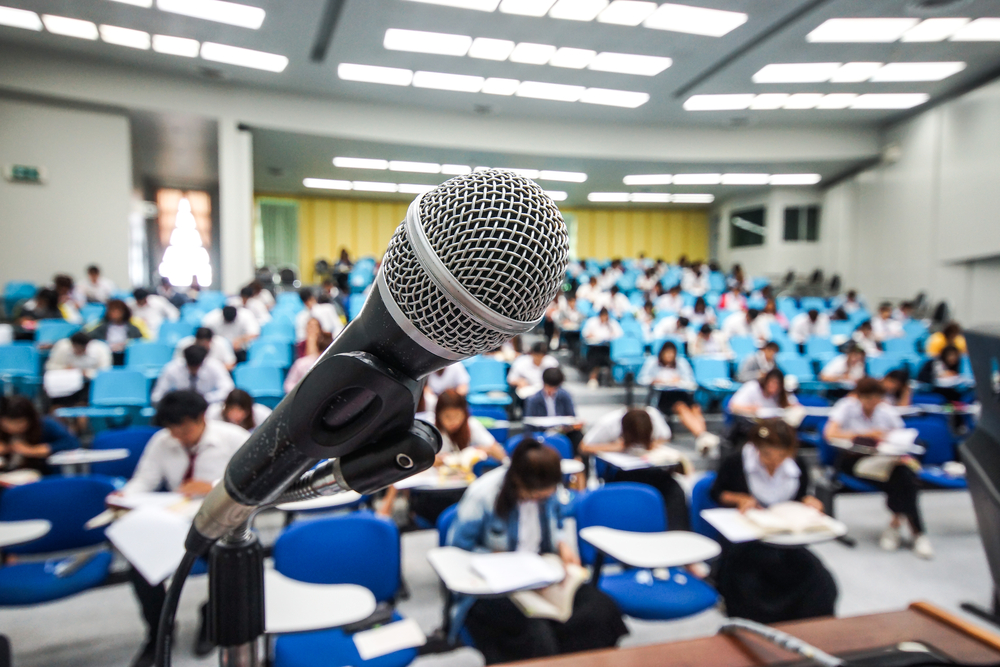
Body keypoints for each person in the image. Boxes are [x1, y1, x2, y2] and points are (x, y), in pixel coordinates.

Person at [447, 439, 628, 664]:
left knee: (602, 611)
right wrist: (495, 559)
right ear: (517, 481)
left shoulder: (549, 493)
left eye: (545, 494)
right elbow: (456, 550)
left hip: (541, 575)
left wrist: (563, 544)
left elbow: (558, 522)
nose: (540, 499)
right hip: (495, 588)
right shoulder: (484, 494)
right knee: (534, 634)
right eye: (534, 495)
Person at [114, 391, 249, 667]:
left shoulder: (233, 438)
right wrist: (124, 498)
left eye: (184, 429)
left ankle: (211, 617)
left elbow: (254, 483)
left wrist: (212, 487)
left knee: (228, 562)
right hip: (175, 522)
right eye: (171, 430)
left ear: (201, 418)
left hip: (221, 523)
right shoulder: (162, 441)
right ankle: (159, 631)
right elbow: (144, 480)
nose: (178, 436)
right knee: (140, 565)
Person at [709, 419, 837, 623]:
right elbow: (717, 493)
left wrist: (809, 503)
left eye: (782, 455)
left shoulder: (797, 466)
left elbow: (799, 497)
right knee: (748, 581)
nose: (774, 461)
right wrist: (740, 499)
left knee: (820, 580)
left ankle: (808, 628)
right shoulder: (736, 461)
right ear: (757, 447)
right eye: (767, 454)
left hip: (784, 541)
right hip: (747, 540)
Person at [823, 378, 931, 558]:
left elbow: (901, 436)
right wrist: (865, 434)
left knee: (904, 476)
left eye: (876, 399)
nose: (872, 404)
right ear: (859, 397)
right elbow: (829, 433)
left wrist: (887, 439)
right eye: (868, 399)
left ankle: (897, 526)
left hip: (884, 459)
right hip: (853, 461)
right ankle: (914, 533)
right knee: (903, 479)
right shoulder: (846, 406)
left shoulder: (885, 410)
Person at [379, 390, 504, 523]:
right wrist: (431, 461)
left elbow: (501, 454)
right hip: (432, 491)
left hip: (462, 489)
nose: (453, 422)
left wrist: (481, 450)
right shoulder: (429, 428)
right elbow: (409, 459)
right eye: (447, 417)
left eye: (457, 416)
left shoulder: (471, 426)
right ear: (438, 415)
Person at [580, 407, 690, 530]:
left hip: (647, 467)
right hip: (620, 472)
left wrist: (653, 444)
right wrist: (614, 447)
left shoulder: (654, 417)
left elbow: (665, 437)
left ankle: (677, 532)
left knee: (674, 488)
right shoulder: (609, 423)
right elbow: (584, 447)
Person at [637, 341, 720, 455]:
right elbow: (641, 379)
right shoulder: (652, 362)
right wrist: (654, 380)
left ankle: (702, 436)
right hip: (664, 396)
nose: (669, 357)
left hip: (681, 392)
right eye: (667, 354)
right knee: (681, 407)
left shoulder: (681, 362)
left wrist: (679, 380)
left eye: (672, 354)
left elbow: (691, 382)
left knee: (695, 408)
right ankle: (702, 436)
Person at [0, 396, 79, 474]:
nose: (13, 428)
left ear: (30, 419)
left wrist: (33, 450)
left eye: (19, 423)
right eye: (7, 424)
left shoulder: (45, 424)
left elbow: (72, 442)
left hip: (40, 474)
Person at [523, 367, 584, 455]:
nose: (551, 390)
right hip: (541, 432)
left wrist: (573, 425)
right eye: (549, 387)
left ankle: (580, 463)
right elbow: (528, 424)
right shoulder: (533, 399)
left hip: (562, 431)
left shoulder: (565, 396)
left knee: (578, 435)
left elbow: (572, 417)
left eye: (555, 387)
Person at [44, 332, 112, 408]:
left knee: (85, 397)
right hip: (64, 383)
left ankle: (82, 415)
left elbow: (105, 373)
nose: (78, 351)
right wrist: (64, 368)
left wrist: (87, 373)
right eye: (75, 348)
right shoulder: (62, 346)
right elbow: (50, 366)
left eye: (80, 349)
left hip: (89, 384)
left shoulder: (101, 349)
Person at [151, 344, 235, 405]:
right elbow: (157, 397)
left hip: (208, 407)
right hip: (179, 409)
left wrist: (205, 398)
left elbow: (228, 391)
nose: (194, 370)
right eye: (191, 366)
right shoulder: (171, 369)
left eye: (197, 366)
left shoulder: (215, 366)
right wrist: (177, 401)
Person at [86, 299, 145, 365]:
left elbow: (139, 342)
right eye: (112, 310)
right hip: (107, 355)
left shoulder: (133, 329)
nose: (115, 313)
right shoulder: (101, 328)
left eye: (118, 311)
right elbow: (90, 338)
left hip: (126, 355)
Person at [729, 368, 799, 417]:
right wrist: (750, 410)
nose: (774, 386)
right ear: (766, 381)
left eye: (777, 384)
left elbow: (796, 406)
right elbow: (733, 406)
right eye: (772, 382)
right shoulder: (752, 387)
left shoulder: (782, 393)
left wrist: (790, 406)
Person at [581, 308, 623, 389]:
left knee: (606, 355)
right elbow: (585, 334)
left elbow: (619, 335)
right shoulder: (592, 322)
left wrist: (612, 335)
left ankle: (610, 378)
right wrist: (591, 335)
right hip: (594, 348)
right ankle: (593, 378)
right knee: (596, 355)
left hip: (608, 348)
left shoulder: (612, 323)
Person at [206, 388, 271, 432]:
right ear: (226, 408)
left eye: (240, 410)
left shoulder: (262, 414)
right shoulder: (213, 414)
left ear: (248, 410)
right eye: (232, 410)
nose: (235, 414)